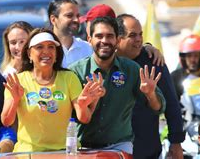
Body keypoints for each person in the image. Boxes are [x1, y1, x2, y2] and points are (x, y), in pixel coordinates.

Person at [69, 16, 165, 155]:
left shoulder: (131, 69)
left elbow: (159, 108)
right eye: (99, 36)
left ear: (118, 40)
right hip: (83, 148)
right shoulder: (75, 72)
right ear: (90, 40)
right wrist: (85, 103)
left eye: (110, 36)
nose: (104, 41)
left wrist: (150, 94)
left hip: (120, 147)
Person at [1, 28, 105, 152]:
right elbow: (6, 121)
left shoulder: (69, 78)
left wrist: (83, 104)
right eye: (39, 47)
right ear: (29, 54)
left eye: (51, 47)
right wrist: (15, 100)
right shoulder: (18, 81)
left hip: (64, 152)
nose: (46, 51)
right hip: (28, 153)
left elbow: (84, 118)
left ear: (56, 54)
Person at [116, 14, 184, 159]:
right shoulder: (107, 63)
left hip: (147, 149)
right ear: (117, 38)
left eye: (140, 34)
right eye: (132, 35)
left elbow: (172, 104)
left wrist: (176, 142)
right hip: (114, 150)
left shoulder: (154, 62)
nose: (138, 39)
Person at [80, 4, 165, 66]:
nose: (104, 42)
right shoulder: (79, 49)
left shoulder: (132, 67)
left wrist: (146, 48)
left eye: (87, 22)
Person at [48, 0, 93, 68]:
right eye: (69, 16)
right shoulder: (44, 50)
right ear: (53, 20)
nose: (76, 20)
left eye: (78, 16)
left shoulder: (88, 48)